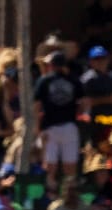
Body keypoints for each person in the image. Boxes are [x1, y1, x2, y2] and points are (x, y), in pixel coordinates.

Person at [34, 50, 87, 190]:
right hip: (69, 126)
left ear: (51, 65)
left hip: (49, 127)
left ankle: (51, 193)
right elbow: (83, 104)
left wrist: (37, 128)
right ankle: (69, 194)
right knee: (70, 166)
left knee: (49, 166)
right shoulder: (74, 80)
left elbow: (37, 107)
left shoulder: (44, 81)